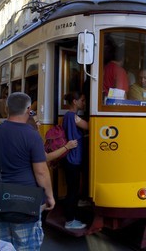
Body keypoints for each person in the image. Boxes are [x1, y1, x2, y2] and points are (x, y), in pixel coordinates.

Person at [0, 92, 55, 250]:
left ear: (7, 108)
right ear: (29, 110)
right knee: (26, 246)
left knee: (3, 246)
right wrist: (49, 197)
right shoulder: (32, 135)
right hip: (25, 202)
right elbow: (41, 172)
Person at [62, 92, 89, 229]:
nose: (83, 103)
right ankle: (70, 220)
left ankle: (71, 218)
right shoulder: (73, 117)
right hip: (73, 158)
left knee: (72, 190)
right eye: (82, 100)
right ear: (74, 101)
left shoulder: (67, 116)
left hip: (70, 158)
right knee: (72, 191)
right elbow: (89, 126)